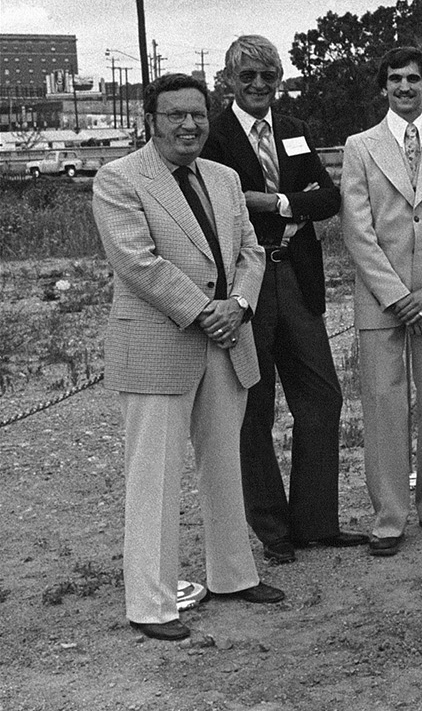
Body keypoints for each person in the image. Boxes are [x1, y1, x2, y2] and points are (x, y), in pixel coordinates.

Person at [93, 73, 285, 642]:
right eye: (175, 114)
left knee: (225, 463)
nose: (188, 125)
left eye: (198, 114)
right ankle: (151, 605)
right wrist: (208, 311)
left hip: (228, 342)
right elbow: (138, 262)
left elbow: (252, 249)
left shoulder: (225, 179)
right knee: (153, 478)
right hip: (160, 346)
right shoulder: (119, 179)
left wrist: (241, 306)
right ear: (151, 120)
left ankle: (232, 575)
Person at [200, 35, 365, 564]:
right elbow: (219, 206)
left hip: (297, 275)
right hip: (246, 283)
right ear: (228, 80)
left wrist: (273, 201)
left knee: (322, 397)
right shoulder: (214, 137)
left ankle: (315, 522)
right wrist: (286, 207)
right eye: (246, 76)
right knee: (254, 406)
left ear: (280, 80)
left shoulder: (294, 132)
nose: (257, 86)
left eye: (267, 77)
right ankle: (274, 532)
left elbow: (328, 198)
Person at [341, 47, 422, 557]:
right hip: (382, 301)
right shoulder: (360, 146)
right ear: (383, 87)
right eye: (395, 79)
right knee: (383, 404)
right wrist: (397, 296)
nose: (405, 87)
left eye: (414, 79)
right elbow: (357, 229)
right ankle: (389, 516)